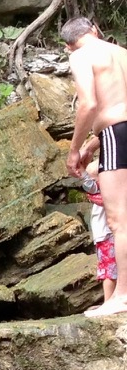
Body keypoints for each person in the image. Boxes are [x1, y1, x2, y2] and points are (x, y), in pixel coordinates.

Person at [63, 16, 127, 315]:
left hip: (116, 134)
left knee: (118, 221)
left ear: (68, 46)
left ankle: (121, 297)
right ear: (95, 30)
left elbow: (89, 105)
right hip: (115, 133)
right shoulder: (122, 53)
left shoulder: (81, 56)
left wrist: (75, 149)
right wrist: (92, 144)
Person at [81, 153, 119, 314]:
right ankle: (111, 300)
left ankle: (110, 301)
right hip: (107, 236)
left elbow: (90, 185)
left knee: (109, 271)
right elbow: (89, 184)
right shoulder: (103, 191)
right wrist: (82, 170)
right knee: (112, 270)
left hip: (108, 236)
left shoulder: (107, 193)